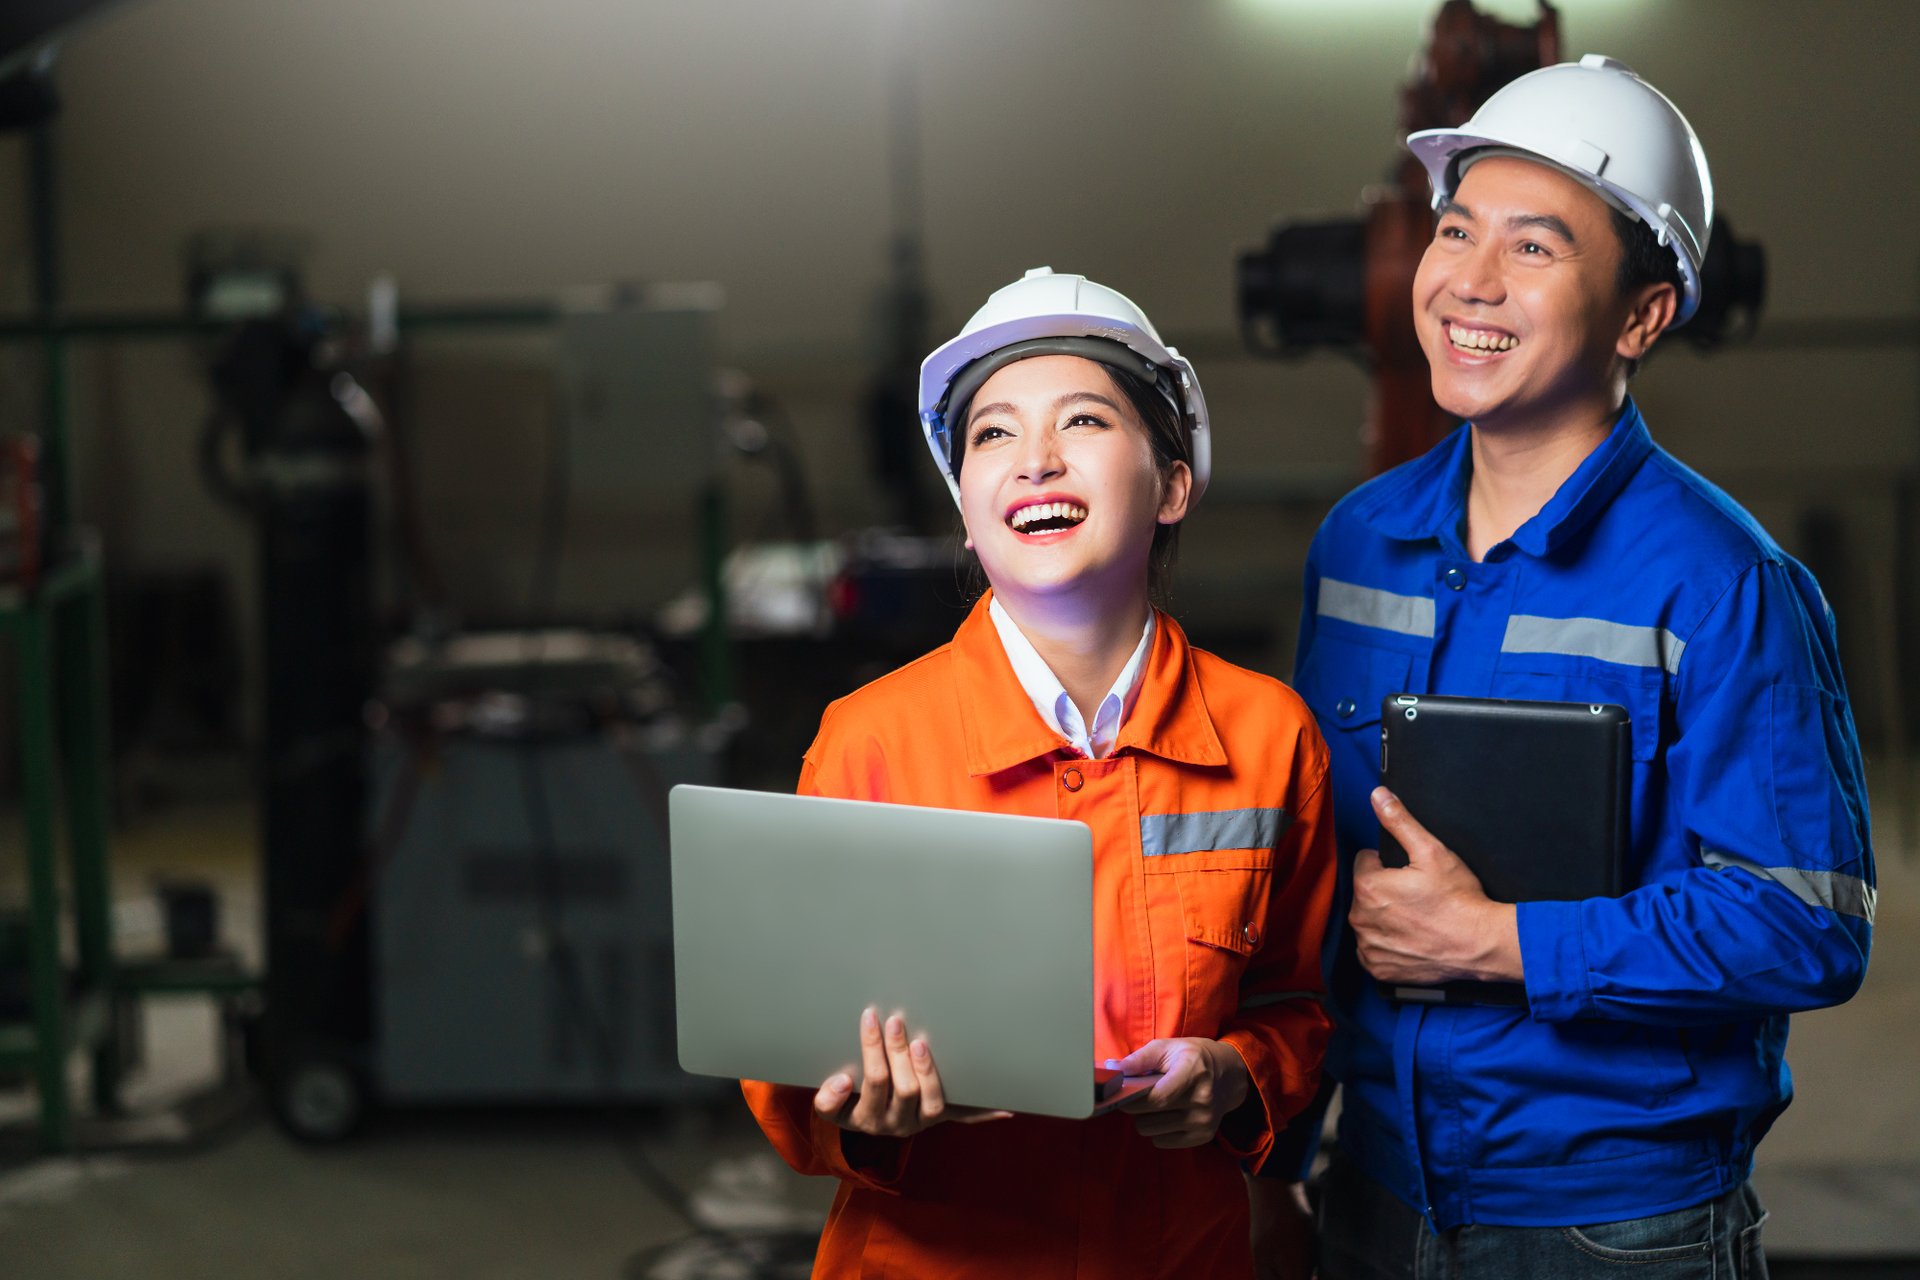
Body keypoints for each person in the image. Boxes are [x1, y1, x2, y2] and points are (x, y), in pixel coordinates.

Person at [1253, 56, 1874, 1279]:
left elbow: (1806, 925)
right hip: (1373, 1191)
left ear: (1643, 314)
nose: (1469, 284)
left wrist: (1501, 942)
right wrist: (1273, 1161)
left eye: (1536, 248)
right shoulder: (1362, 542)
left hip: (1613, 1225)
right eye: (1455, 231)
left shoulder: (1721, 583)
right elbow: (1322, 882)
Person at [743, 267, 1338, 1278]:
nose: (1037, 459)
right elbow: (784, 1064)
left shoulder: (1267, 735)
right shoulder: (872, 739)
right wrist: (865, 1108)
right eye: (993, 434)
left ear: (1174, 483)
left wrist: (1238, 1075)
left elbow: (1301, 1003)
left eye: (1085, 420)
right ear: (968, 517)